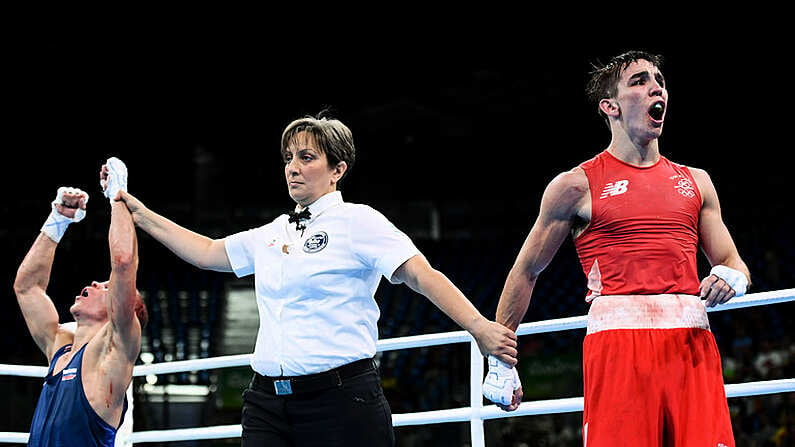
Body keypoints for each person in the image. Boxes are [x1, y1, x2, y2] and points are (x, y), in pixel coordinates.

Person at [116, 113, 518, 446]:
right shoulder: (274, 230)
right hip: (266, 404)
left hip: (340, 402)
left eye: (307, 157)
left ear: (337, 169)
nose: (292, 167)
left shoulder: (359, 221)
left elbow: (420, 274)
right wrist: (138, 211)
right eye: (288, 158)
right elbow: (206, 252)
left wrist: (479, 327)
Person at [482, 51, 750, 446]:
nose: (656, 86)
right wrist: (501, 359)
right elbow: (526, 271)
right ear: (610, 106)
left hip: (692, 342)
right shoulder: (576, 186)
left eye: (659, 79)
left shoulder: (697, 182)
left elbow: (732, 262)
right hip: (618, 344)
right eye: (640, 81)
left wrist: (732, 278)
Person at [13, 157, 148, 446]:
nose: (96, 283)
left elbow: (123, 263)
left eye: (107, 287)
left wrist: (118, 197)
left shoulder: (113, 354)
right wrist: (57, 222)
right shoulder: (59, 346)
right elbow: (27, 288)